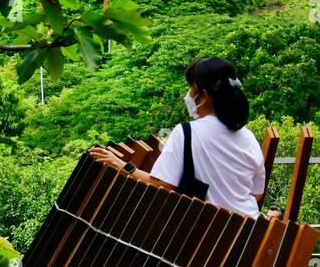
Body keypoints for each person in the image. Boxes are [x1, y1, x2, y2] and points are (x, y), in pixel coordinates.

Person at [90, 57, 267, 218]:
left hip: (208, 234)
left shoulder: (187, 132)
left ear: (204, 96)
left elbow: (162, 185)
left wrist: (122, 165)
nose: (188, 94)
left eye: (191, 88)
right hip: (249, 232)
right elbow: (256, 193)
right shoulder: (248, 137)